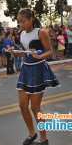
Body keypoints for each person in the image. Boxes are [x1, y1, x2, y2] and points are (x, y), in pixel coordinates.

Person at [11, 8, 60, 145]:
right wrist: (15, 52)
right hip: (26, 70)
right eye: (19, 22)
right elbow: (26, 53)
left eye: (23, 21)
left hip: (38, 69)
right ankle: (32, 133)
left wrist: (39, 56)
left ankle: (43, 138)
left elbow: (50, 51)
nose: (21, 25)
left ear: (31, 19)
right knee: (22, 105)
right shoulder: (21, 34)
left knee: (35, 107)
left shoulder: (40, 32)